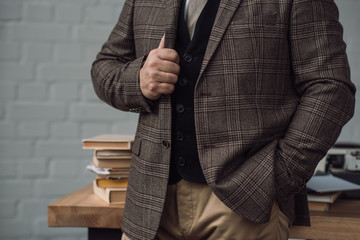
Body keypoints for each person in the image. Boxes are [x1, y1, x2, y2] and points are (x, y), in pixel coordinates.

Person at [91, 0, 356, 239]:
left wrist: (280, 174)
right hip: (149, 206)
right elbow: (105, 67)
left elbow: (331, 87)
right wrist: (137, 79)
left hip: (244, 204)